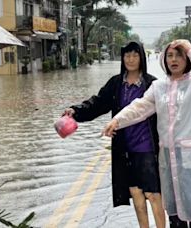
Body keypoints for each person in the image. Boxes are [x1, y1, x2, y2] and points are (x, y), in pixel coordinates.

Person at [103, 39, 191, 228]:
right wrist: (117, 120)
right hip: (167, 155)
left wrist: (189, 48)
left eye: (179, 55)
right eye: (170, 56)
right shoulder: (159, 87)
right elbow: (139, 107)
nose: (173, 60)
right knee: (174, 212)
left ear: (187, 59)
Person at [63, 41, 166, 228]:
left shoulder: (153, 84)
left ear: (142, 57)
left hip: (147, 147)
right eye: (127, 55)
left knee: (153, 193)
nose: (131, 59)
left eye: (135, 55)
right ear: (122, 58)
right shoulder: (116, 84)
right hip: (124, 148)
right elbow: (98, 103)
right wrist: (76, 111)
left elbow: (168, 114)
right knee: (135, 192)